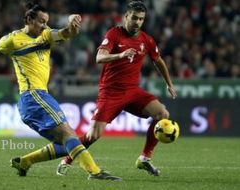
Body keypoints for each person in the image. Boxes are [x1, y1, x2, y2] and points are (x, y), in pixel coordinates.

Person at [0, 2, 121, 181]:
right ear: (29, 19)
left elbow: (68, 33)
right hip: (32, 96)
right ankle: (95, 171)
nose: (44, 25)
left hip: (38, 96)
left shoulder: (46, 35)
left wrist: (71, 22)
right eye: (41, 21)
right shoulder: (13, 39)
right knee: (69, 135)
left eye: (46, 22)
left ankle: (25, 162)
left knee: (64, 142)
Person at [57, 0, 177, 177]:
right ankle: (67, 158)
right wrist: (120, 55)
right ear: (126, 17)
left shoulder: (147, 40)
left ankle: (144, 158)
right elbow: (99, 57)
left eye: (141, 19)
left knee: (162, 114)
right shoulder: (114, 34)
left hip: (133, 91)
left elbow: (158, 61)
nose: (137, 22)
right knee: (93, 135)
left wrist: (169, 83)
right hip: (111, 92)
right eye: (134, 18)